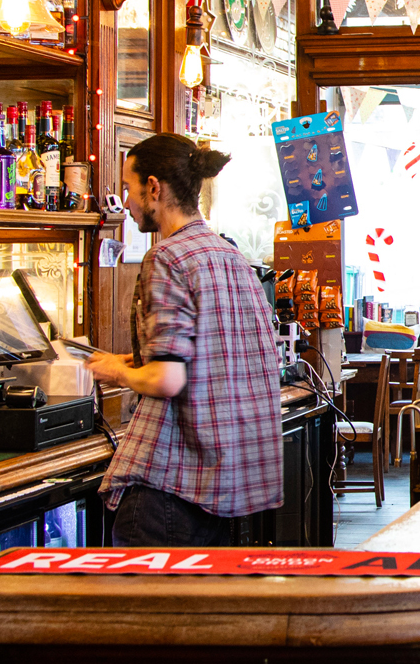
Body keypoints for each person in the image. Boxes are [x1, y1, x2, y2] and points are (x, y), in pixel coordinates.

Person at [88, 134, 284, 545]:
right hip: (222, 483)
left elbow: (167, 380)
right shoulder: (231, 257)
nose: (125, 202)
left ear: (154, 187)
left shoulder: (167, 256)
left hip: (168, 486)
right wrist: (132, 361)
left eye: (128, 188)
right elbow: (215, 354)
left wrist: (113, 372)